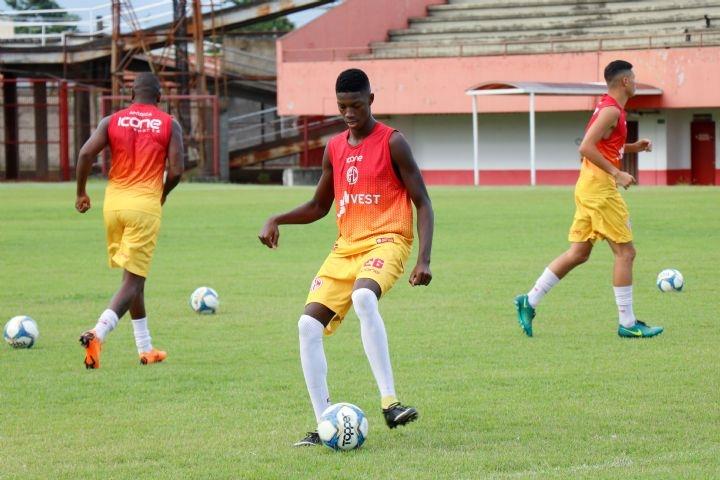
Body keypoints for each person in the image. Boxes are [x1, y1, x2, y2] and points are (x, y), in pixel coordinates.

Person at [258, 68, 434, 446]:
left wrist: (424, 259)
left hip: (388, 239)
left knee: (363, 296)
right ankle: (324, 424)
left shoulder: (393, 142)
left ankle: (390, 402)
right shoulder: (334, 148)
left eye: (356, 105)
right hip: (345, 247)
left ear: (371, 100)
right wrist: (277, 218)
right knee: (306, 327)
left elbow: (423, 201)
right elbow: (320, 205)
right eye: (342, 107)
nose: (349, 113)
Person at [514, 60, 663, 339]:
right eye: (634, 78)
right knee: (626, 253)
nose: (636, 82)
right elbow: (585, 147)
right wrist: (617, 173)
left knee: (579, 253)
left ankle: (529, 300)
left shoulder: (610, 107)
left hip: (588, 186)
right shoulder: (610, 110)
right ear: (625, 82)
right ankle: (628, 323)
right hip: (600, 190)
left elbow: (603, 145)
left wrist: (633, 147)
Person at [75, 72, 184, 368]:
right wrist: (161, 194)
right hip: (143, 206)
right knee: (133, 280)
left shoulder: (111, 121)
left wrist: (82, 192)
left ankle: (145, 348)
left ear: (131, 94)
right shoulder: (168, 124)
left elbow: (85, 154)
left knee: (134, 278)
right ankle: (98, 332)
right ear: (160, 97)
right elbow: (176, 171)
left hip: (113, 206)